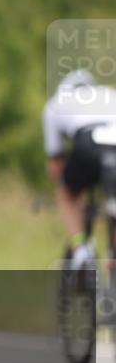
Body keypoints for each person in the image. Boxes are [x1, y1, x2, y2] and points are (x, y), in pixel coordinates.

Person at [42, 69, 116, 269]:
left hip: (88, 143)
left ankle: (81, 250)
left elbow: (56, 163)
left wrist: (70, 188)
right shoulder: (110, 94)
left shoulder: (55, 104)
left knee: (66, 194)